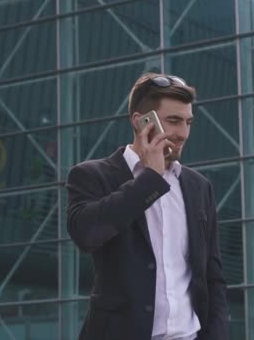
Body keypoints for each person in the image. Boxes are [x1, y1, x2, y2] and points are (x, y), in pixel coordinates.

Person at [66, 73, 229, 340]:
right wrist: (149, 180)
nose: (183, 133)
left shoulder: (198, 186)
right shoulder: (92, 175)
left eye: (188, 122)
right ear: (140, 121)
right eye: (174, 121)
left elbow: (213, 278)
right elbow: (86, 235)